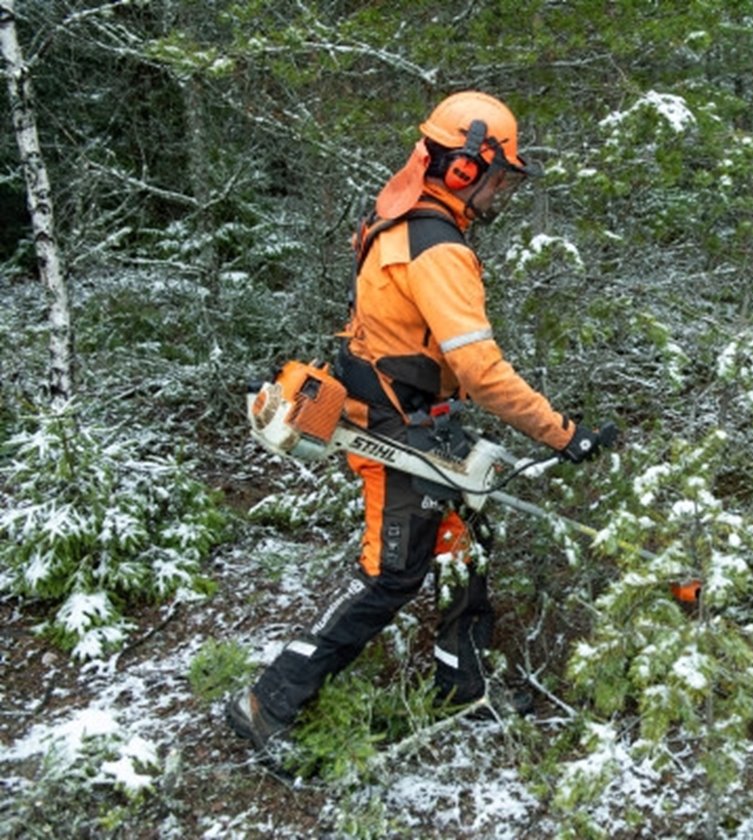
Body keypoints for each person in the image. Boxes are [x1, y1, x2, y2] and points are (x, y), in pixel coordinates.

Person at [228, 90, 614, 750]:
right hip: (394, 428)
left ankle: (460, 685)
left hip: (417, 419)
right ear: (463, 170)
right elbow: (484, 373)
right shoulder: (436, 247)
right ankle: (268, 702)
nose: (499, 195)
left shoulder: (401, 215)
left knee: (466, 546)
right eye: (498, 180)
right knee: (390, 577)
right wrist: (564, 433)